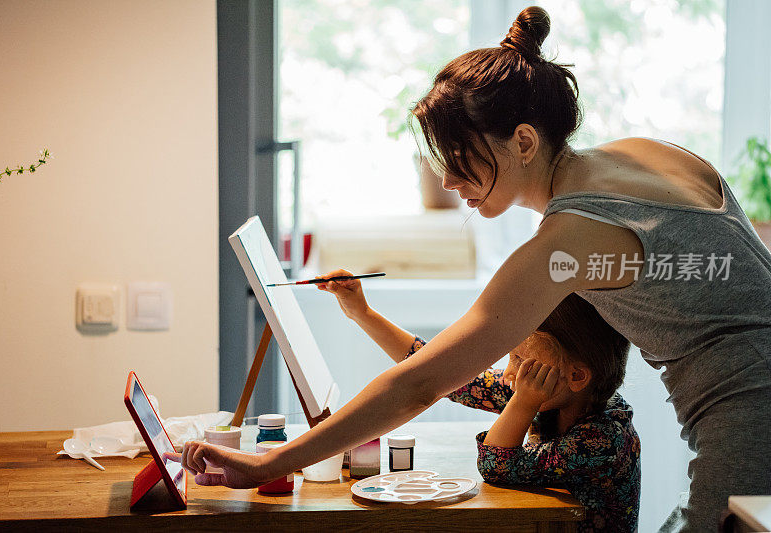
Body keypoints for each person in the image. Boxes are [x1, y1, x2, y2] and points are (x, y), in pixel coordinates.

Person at [168, 6, 771, 531]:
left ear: (524, 142)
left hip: (752, 414)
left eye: (461, 162)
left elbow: (420, 383)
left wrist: (273, 462)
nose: (451, 183)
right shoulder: (645, 156)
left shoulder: (567, 240)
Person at [319, 274, 640, 532]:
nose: (508, 375)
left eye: (519, 360)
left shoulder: (603, 439)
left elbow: (497, 466)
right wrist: (362, 313)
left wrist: (523, 403)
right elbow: (442, 373)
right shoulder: (553, 394)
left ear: (577, 376)